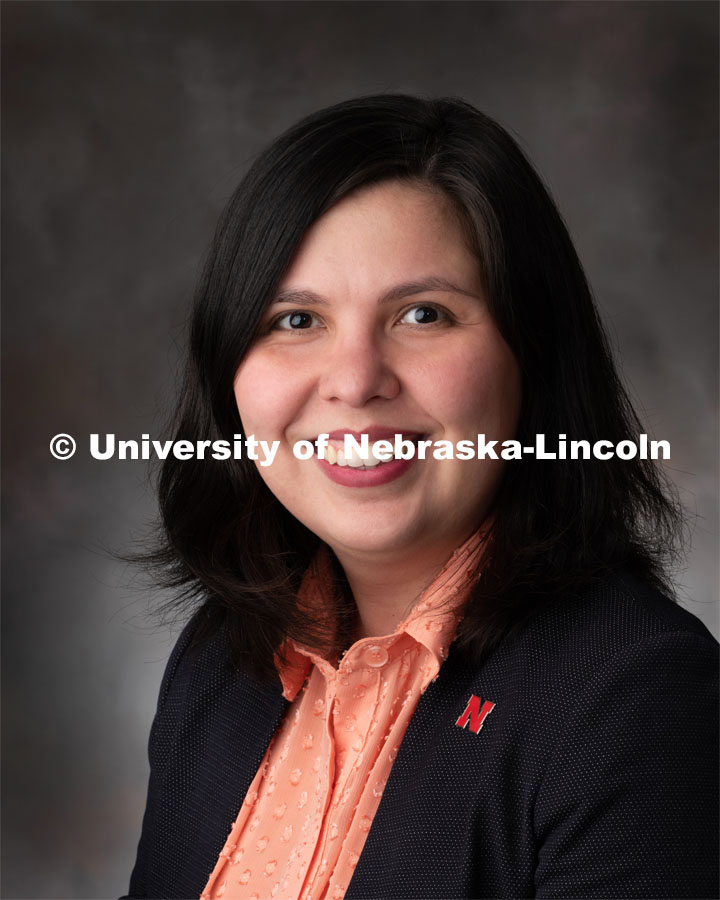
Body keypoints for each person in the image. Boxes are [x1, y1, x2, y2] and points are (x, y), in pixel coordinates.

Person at [124, 95, 718, 900]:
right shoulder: (220, 660)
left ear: (531, 355)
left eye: (423, 314)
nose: (357, 380)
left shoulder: (641, 697)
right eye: (296, 320)